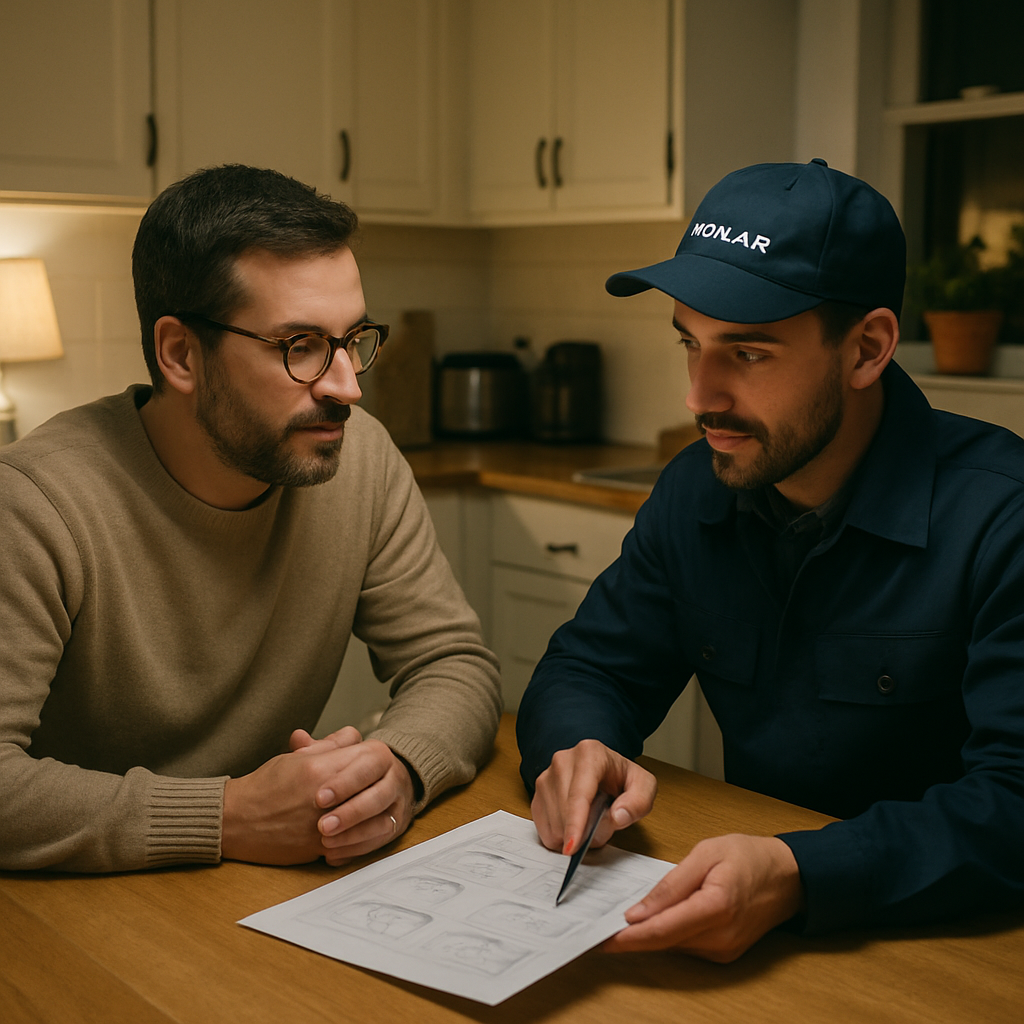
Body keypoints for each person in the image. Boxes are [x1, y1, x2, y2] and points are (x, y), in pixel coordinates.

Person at [516, 158, 1024, 961]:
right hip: (748, 940)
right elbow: (590, 667)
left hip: (953, 950)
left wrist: (801, 874)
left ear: (867, 349)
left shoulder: (1003, 518)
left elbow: (1015, 801)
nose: (699, 396)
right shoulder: (696, 488)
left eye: (748, 353)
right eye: (691, 343)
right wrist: (577, 752)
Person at [0, 164, 501, 873]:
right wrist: (227, 817)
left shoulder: (361, 459)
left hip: (262, 887)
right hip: (76, 904)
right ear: (181, 354)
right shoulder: (33, 504)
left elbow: (453, 663)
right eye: (301, 347)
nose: (348, 387)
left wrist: (398, 766)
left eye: (353, 339)